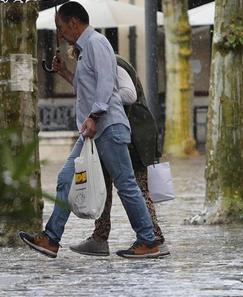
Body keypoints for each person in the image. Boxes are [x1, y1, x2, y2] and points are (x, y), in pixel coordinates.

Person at [18, 1, 162, 259]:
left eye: (61, 27)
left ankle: (148, 240)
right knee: (66, 177)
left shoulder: (96, 43)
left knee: (126, 185)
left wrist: (94, 115)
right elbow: (89, 88)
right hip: (93, 130)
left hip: (107, 126)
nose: (61, 33)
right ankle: (51, 238)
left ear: (74, 23)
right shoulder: (85, 50)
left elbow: (107, 86)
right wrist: (64, 73)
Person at [69, 54, 169, 257]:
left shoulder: (113, 63)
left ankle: (154, 238)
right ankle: (100, 237)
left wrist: (103, 99)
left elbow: (129, 94)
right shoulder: (102, 65)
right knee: (102, 182)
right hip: (113, 131)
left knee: (135, 186)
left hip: (133, 133)